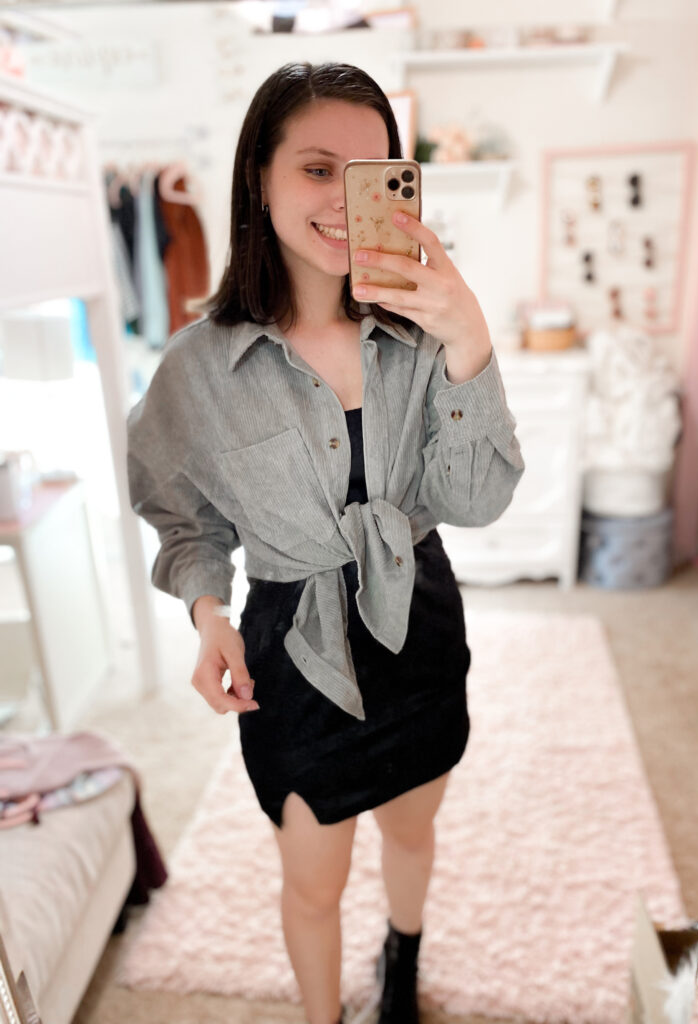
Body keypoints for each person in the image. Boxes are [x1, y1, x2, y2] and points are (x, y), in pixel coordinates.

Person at [126, 61, 524, 1024]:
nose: (347, 199)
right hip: (294, 653)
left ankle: (403, 960)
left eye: (372, 172)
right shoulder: (197, 369)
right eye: (316, 169)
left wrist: (470, 340)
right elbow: (185, 515)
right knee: (311, 880)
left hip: (419, 624)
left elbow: (476, 501)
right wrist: (208, 612)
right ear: (257, 179)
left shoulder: (427, 337)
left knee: (412, 832)